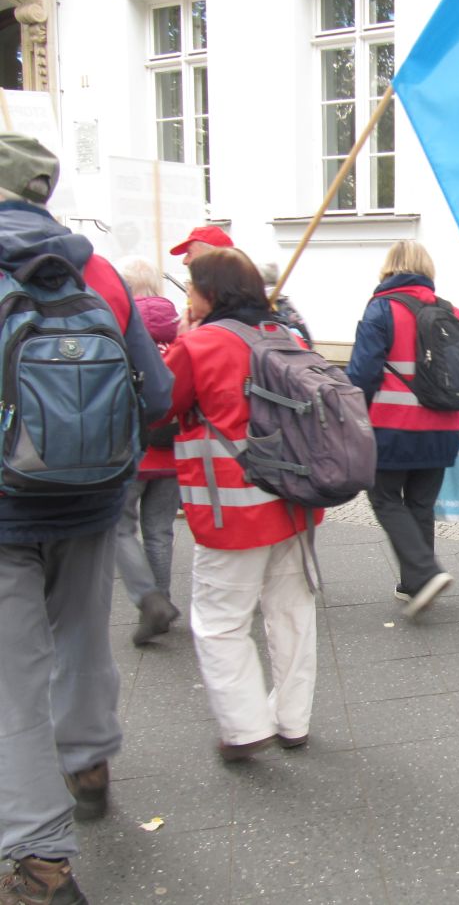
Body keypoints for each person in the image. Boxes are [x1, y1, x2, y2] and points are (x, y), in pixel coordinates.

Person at [0, 134, 172, 904]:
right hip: (94, 499)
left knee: (11, 681)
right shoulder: (97, 268)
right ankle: (90, 763)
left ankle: (40, 856)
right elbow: (159, 393)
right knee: (82, 641)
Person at [161, 247, 320, 760]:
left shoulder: (200, 344)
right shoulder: (285, 335)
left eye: (190, 287)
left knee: (220, 621)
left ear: (210, 293)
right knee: (292, 612)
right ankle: (292, 719)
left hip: (232, 509)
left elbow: (158, 408)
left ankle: (247, 727)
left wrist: (184, 338)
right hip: (295, 503)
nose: (186, 297)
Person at [346, 240, 459, 620]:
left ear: (389, 268)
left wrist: (352, 415)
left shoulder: (382, 309)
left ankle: (426, 572)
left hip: (394, 427)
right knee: (420, 504)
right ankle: (415, 584)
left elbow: (362, 374)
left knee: (384, 498)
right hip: (445, 427)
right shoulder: (453, 313)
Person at [114, 256, 183, 646]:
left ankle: (148, 601)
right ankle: (165, 601)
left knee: (119, 527)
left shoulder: (122, 325)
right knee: (160, 530)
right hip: (171, 448)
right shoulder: (179, 327)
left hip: (134, 448)